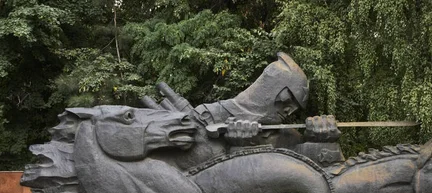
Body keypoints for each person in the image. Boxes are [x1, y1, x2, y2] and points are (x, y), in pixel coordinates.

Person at [141, 52, 344, 167]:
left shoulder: (286, 137)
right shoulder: (205, 119)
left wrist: (322, 143)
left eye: (295, 107)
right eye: (288, 100)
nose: (289, 111)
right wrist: (238, 149)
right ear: (271, 89)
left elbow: (326, 181)